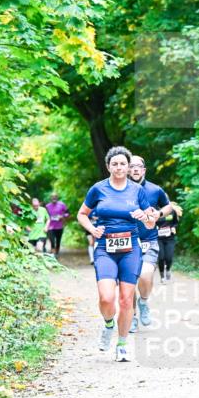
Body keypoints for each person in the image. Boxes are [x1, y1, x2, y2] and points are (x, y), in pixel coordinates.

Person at [76, 146, 155, 362]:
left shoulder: (137, 191)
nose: (119, 167)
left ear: (129, 167)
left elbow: (151, 220)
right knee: (106, 297)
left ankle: (121, 345)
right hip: (105, 248)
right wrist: (92, 230)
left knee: (127, 299)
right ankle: (109, 324)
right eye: (115, 164)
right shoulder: (98, 189)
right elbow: (82, 214)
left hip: (131, 248)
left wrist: (144, 216)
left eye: (123, 164)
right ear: (108, 166)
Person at [127, 155, 172, 332]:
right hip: (127, 242)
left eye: (139, 166)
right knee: (129, 283)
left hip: (149, 240)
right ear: (127, 169)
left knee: (146, 276)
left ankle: (143, 302)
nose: (135, 169)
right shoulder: (120, 189)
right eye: (132, 166)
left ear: (144, 170)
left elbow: (169, 206)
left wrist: (159, 214)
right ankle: (131, 317)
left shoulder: (155, 190)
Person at [156, 203, 181, 284]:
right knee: (161, 258)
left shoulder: (172, 211)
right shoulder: (155, 212)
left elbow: (176, 222)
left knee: (169, 257)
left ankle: (168, 270)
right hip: (158, 239)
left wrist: (174, 227)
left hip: (170, 238)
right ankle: (162, 276)